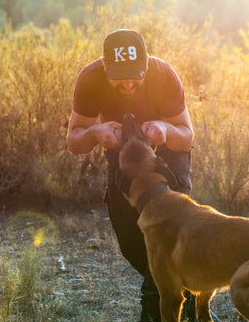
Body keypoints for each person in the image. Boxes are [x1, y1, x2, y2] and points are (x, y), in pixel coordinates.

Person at [67, 28, 199, 322]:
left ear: (147, 64)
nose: (128, 85)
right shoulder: (90, 79)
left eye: (135, 76)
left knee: (168, 233)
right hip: (122, 150)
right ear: (104, 66)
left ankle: (153, 311)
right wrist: (95, 132)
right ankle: (184, 292)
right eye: (119, 78)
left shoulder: (163, 74)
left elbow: (186, 135)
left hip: (167, 153)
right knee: (131, 243)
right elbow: (74, 141)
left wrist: (164, 131)